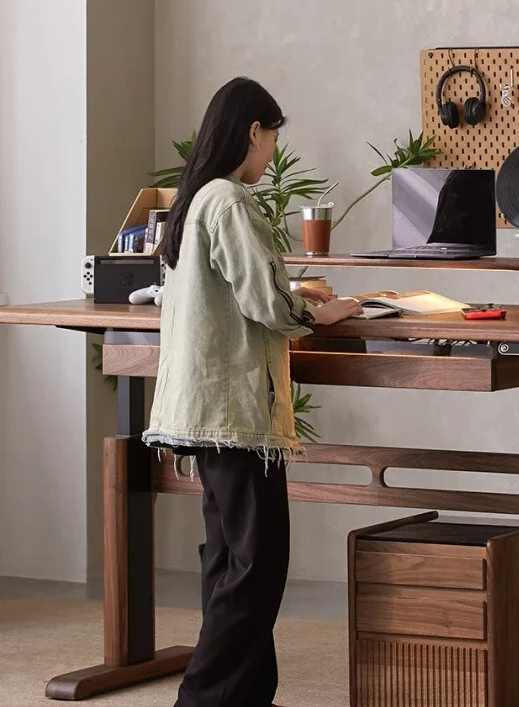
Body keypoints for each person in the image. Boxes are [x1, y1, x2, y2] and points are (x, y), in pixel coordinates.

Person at [143, 77, 363, 707]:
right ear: (252, 131)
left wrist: (302, 296)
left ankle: (244, 695)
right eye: (271, 137)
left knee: (229, 563)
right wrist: (325, 311)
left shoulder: (195, 200)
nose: (271, 153)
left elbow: (228, 289)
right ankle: (202, 699)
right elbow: (265, 304)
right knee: (257, 567)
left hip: (201, 409)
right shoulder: (233, 202)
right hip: (236, 412)